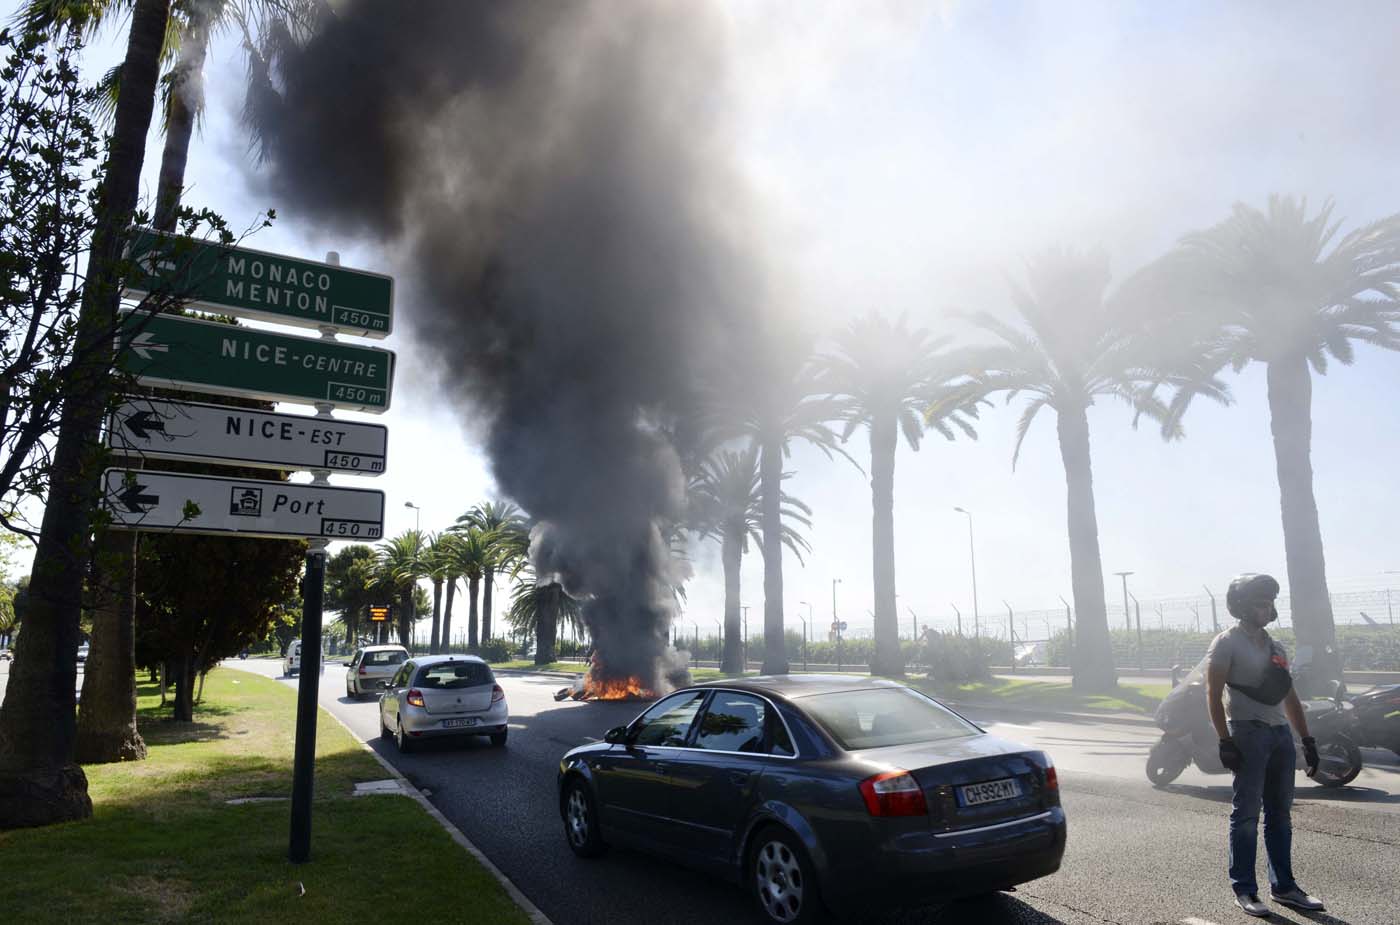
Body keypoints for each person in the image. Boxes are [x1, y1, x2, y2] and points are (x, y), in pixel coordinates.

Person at [1206, 573, 1325, 917]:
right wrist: (1224, 741)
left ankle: (1284, 887)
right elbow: (1212, 695)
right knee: (1245, 815)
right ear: (1242, 606)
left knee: (1280, 815)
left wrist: (1307, 739)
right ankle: (1244, 889)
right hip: (1247, 734)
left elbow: (1289, 696)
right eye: (1261, 602)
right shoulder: (1225, 643)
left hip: (1279, 736)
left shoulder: (1277, 647)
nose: (1267, 607)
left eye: (1270, 602)